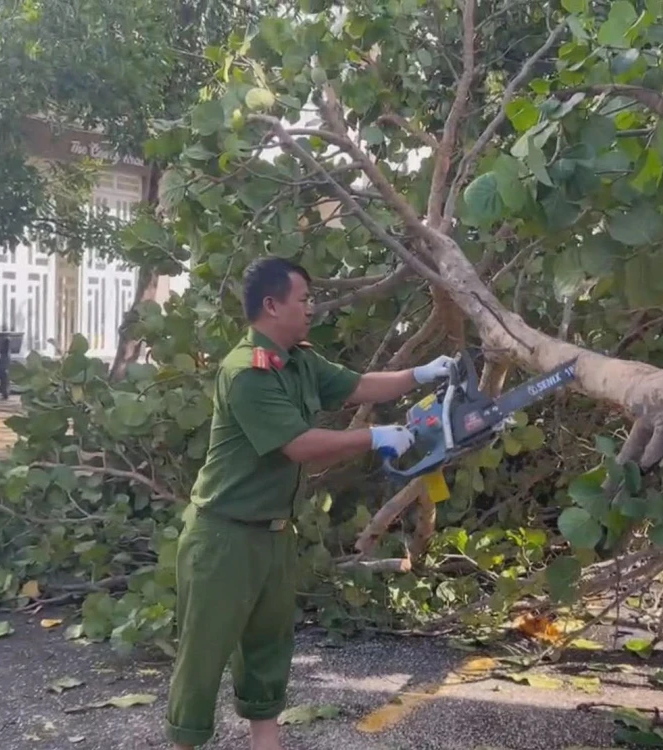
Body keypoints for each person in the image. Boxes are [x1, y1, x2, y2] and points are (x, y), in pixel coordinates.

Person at [165, 257, 452, 750]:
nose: (312, 309)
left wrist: (421, 374)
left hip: (274, 534)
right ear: (272, 306)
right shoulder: (248, 371)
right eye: (304, 300)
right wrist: (374, 436)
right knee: (202, 659)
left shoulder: (298, 360)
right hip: (223, 537)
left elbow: (358, 385)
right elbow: (297, 444)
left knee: (268, 655)